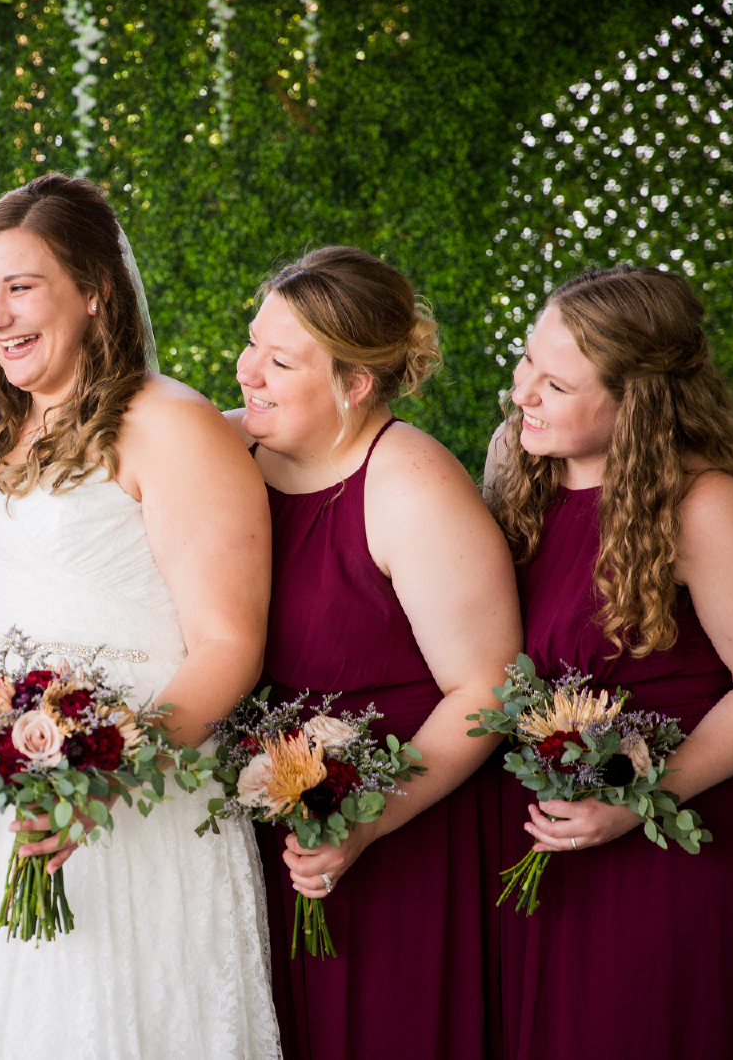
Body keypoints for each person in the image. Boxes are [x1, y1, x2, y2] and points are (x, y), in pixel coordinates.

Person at [0, 173, 280, 1059]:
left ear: (94, 290)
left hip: (126, 797)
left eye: (21, 287)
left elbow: (230, 642)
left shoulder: (173, 426)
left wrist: (104, 778)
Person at [484, 265, 733, 1059]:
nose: (523, 391)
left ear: (636, 402)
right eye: (528, 360)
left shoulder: (709, 509)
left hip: (683, 841)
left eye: (555, 382)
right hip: (552, 835)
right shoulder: (520, 465)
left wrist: (640, 799)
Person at [225, 246, 522, 1059]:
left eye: (279, 359)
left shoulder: (412, 487)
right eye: (251, 341)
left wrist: (362, 823)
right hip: (255, 833)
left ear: (353, 386)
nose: (247, 370)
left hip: (395, 833)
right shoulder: (223, 454)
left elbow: (486, 685)